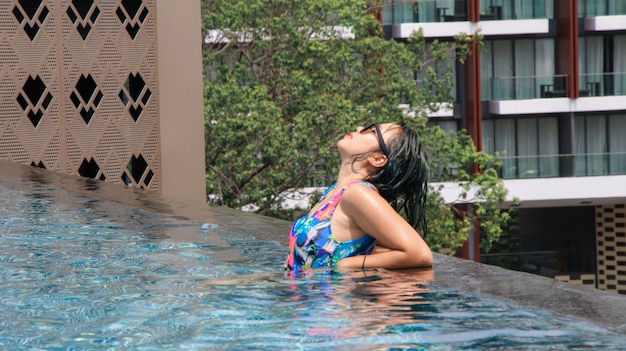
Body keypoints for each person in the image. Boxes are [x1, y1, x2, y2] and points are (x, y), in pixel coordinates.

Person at [284, 121, 433, 274]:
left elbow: (420, 254)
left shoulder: (358, 194)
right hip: (305, 294)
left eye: (373, 131)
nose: (359, 129)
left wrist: (347, 264)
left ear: (377, 158)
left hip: (328, 296)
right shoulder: (334, 192)